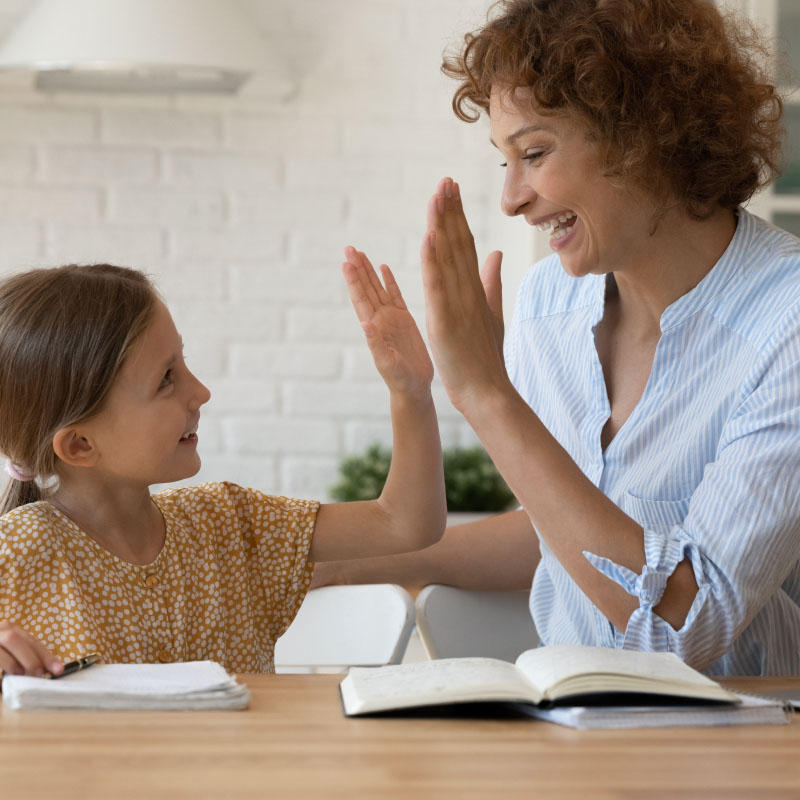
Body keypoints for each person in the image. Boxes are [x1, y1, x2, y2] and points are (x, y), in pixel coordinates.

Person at [314, 0, 800, 675]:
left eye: (534, 153)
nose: (512, 197)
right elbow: (561, 532)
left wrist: (487, 395)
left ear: (645, 135)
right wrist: (352, 566)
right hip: (570, 741)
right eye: (502, 162)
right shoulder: (551, 303)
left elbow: (685, 630)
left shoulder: (788, 323)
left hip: (743, 753)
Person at [0, 253, 446, 677]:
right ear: (79, 444)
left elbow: (405, 524)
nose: (200, 392)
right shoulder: (16, 556)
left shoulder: (229, 523)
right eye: (166, 379)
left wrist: (411, 394)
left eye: (183, 362)